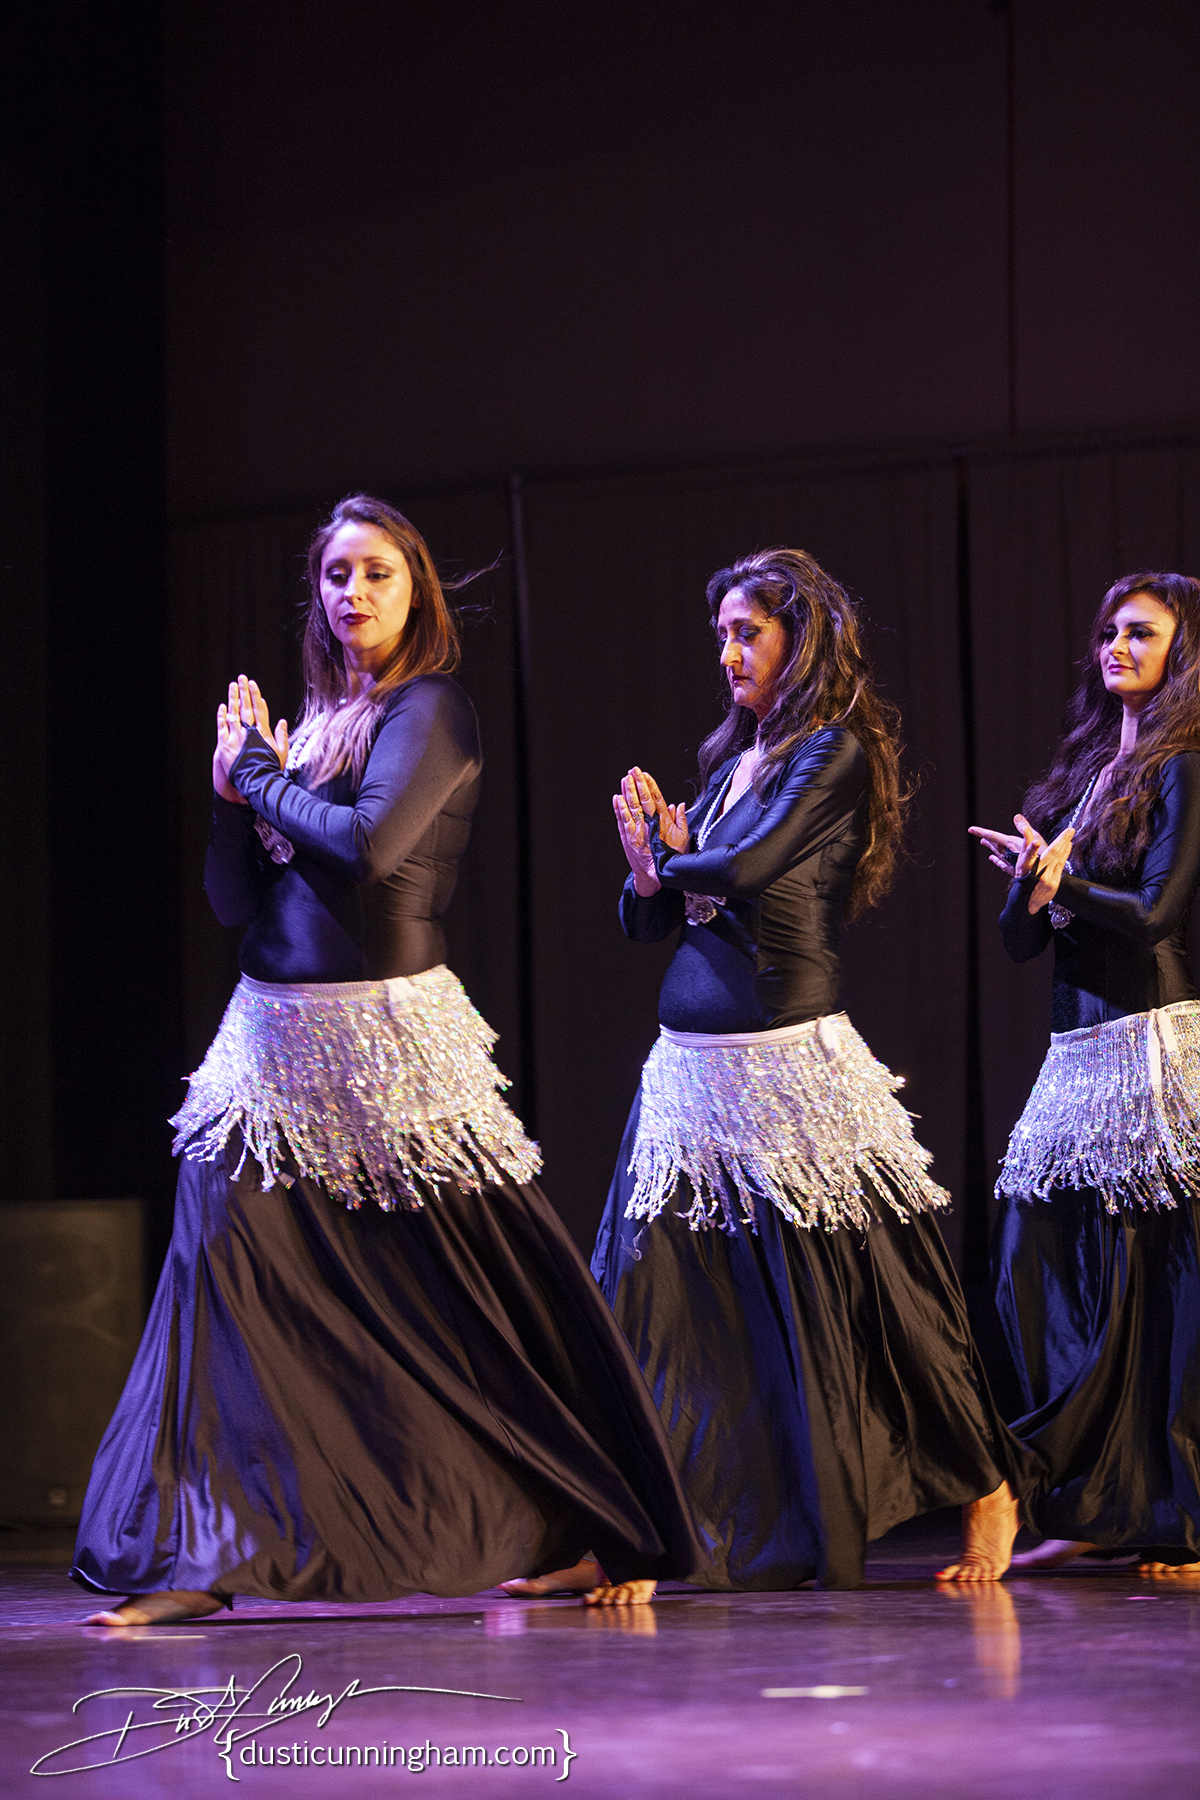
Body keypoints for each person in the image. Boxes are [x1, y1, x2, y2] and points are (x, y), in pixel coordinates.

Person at [73, 494, 699, 1624]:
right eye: (334, 575)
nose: (351, 592)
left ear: (416, 590)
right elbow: (234, 899)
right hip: (267, 1040)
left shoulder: (433, 709)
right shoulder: (318, 723)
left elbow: (368, 848)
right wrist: (230, 800)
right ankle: (193, 1558)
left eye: (376, 573)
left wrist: (259, 774)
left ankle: (599, 1525)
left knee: (479, 1287)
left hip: (387, 1040)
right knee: (219, 1273)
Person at [510, 548, 1030, 1598]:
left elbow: (747, 869)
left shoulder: (831, 752)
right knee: (648, 1308)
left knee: (881, 1294)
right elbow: (647, 919)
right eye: (722, 636)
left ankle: (988, 1487)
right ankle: (631, 1533)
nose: (729, 653)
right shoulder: (728, 763)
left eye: (748, 632)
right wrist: (647, 869)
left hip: (792, 1070)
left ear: (804, 638)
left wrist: (667, 860)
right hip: (689, 1081)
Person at [971, 570, 1200, 1576]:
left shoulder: (1185, 764)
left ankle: (1182, 1512)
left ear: (1183, 653)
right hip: (1075, 1050)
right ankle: (1091, 1501)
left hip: (1151, 1043)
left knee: (1165, 1285)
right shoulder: (1082, 775)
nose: (1116, 645)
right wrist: (1032, 889)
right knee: (1043, 1267)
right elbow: (1023, 943)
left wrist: (1066, 883)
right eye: (1109, 631)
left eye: (1141, 633)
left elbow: (1155, 915)